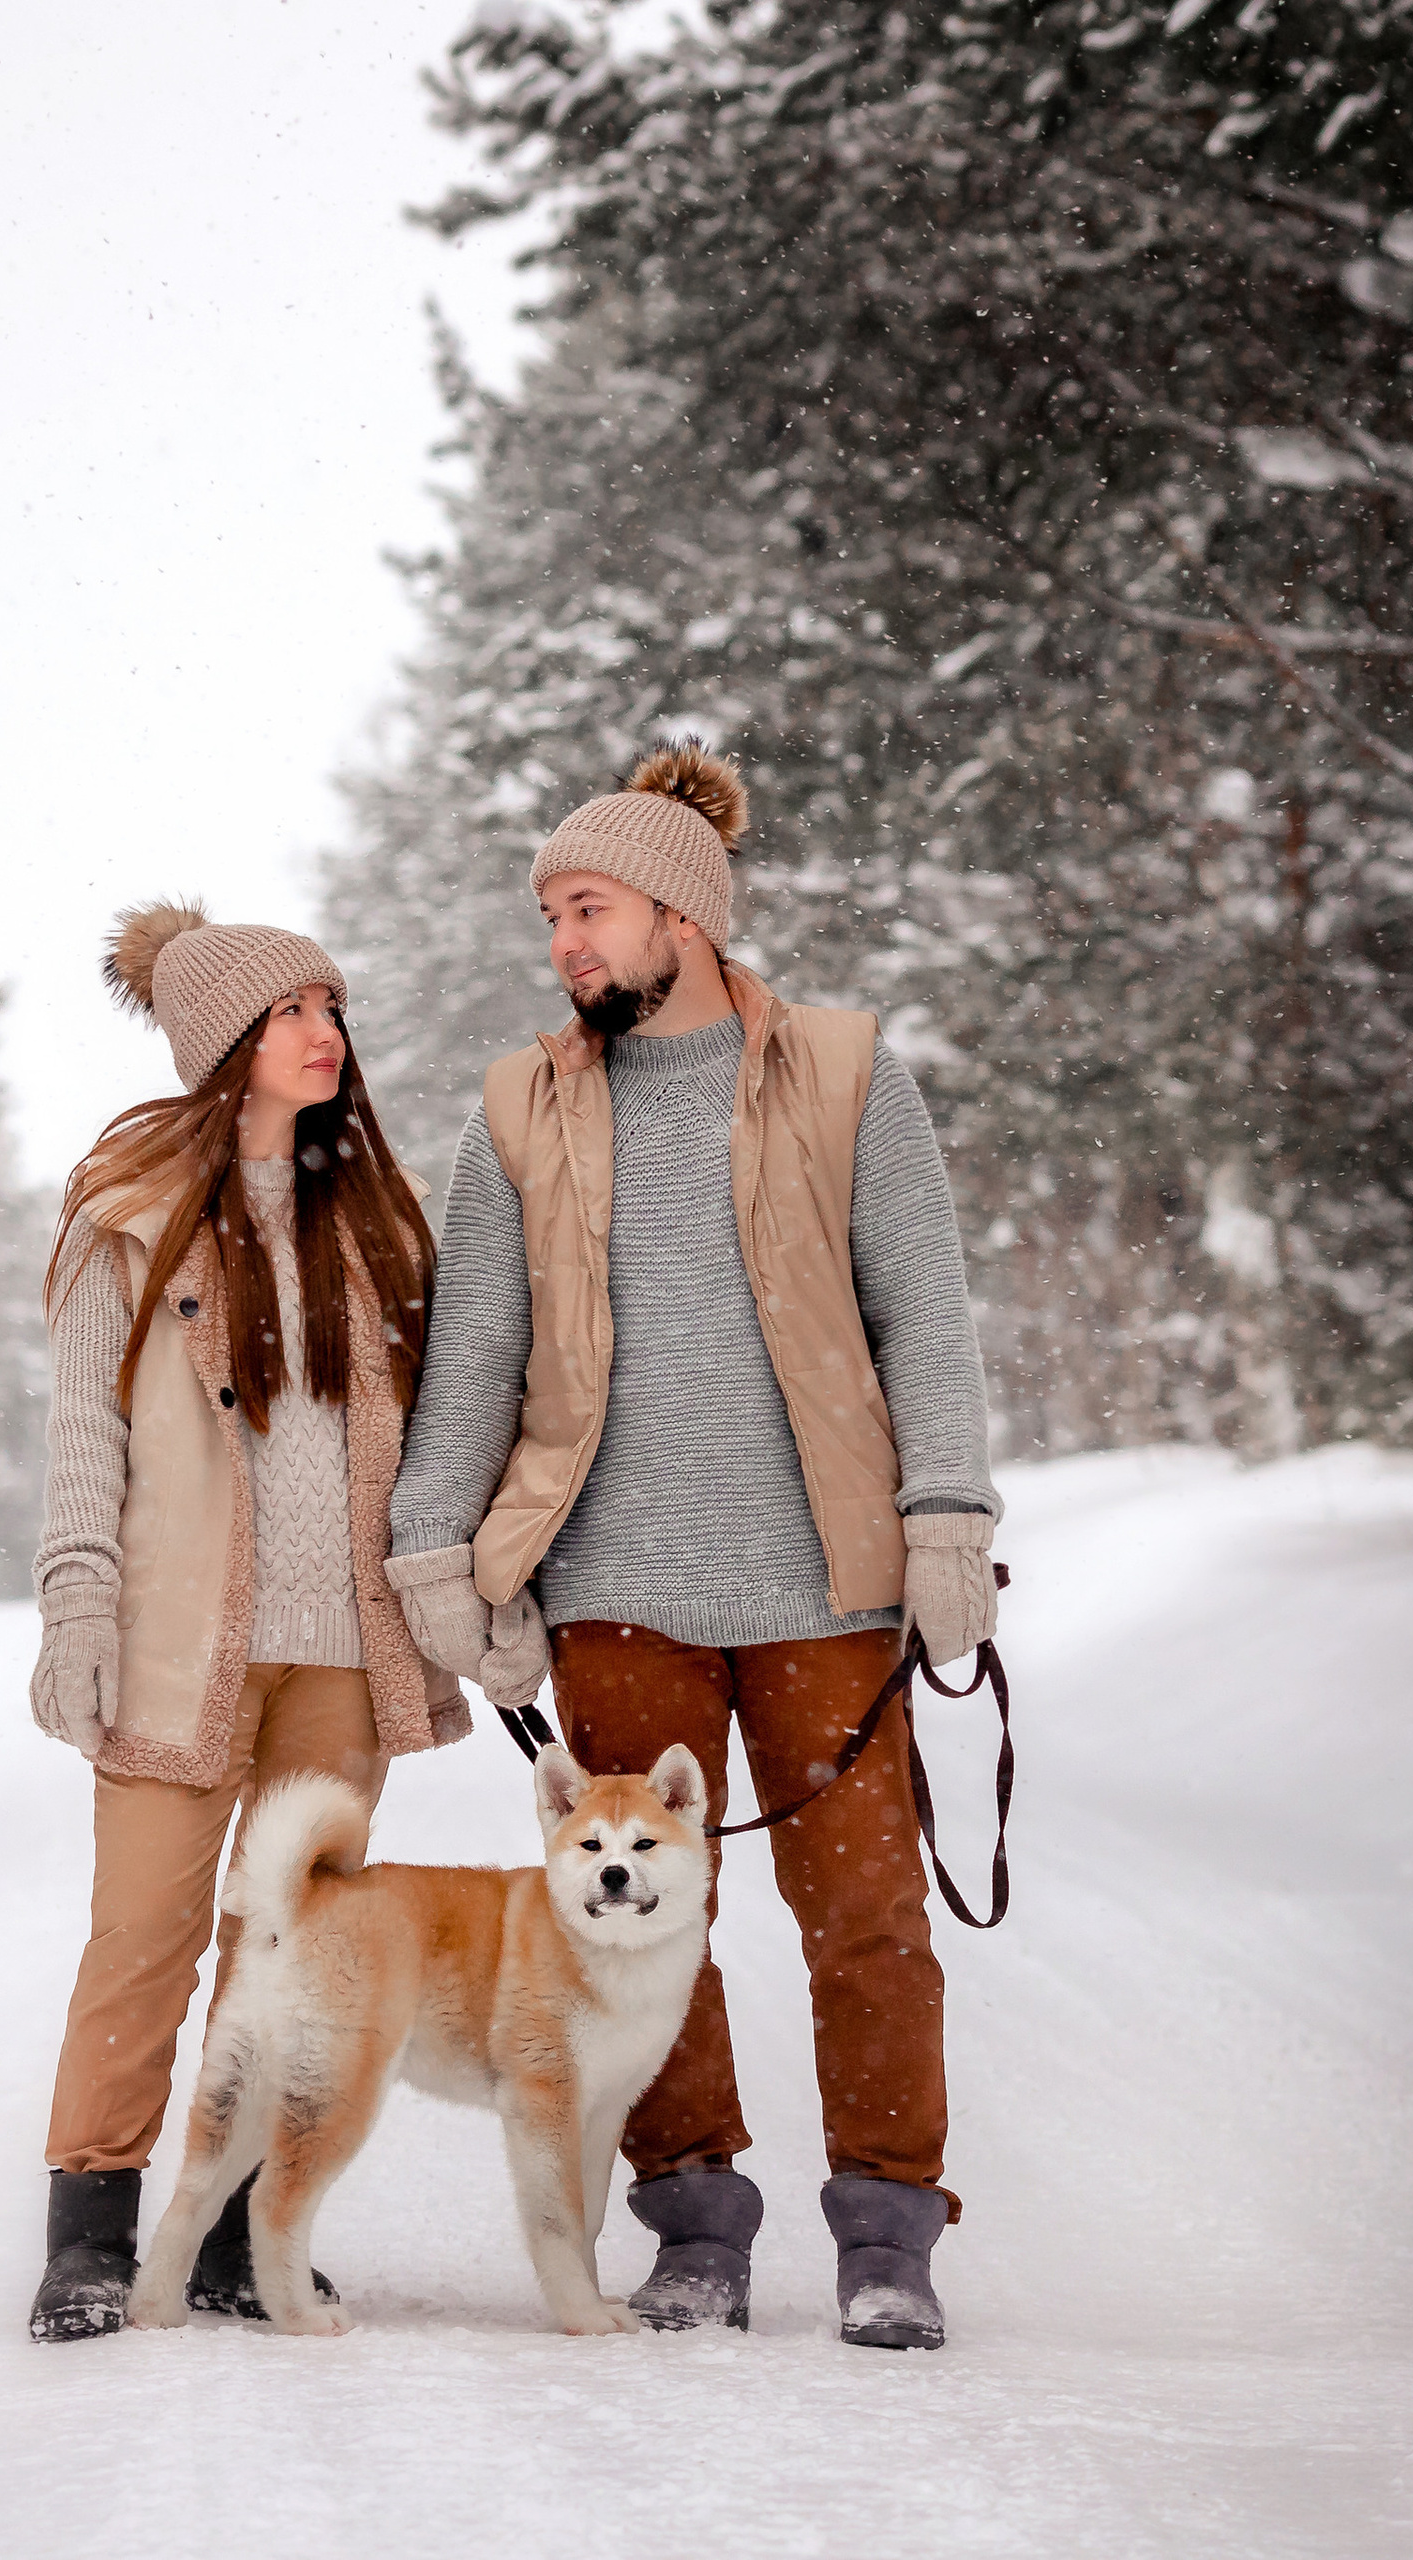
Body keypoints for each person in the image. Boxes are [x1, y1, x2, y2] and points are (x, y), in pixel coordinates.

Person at [384, 742, 1002, 2350]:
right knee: (644, 1920)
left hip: (825, 1582)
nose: (563, 944)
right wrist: (441, 1556)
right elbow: (478, 1354)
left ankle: (887, 2234)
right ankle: (697, 2222)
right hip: (616, 1591)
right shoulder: (525, 1103)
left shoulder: (848, 1071)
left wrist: (947, 1512)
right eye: (549, 916)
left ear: (683, 911)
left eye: (587, 908)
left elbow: (921, 1312)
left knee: (866, 1920)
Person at [27, 901, 468, 2342]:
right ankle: (88, 2236)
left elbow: (444, 1437)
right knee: (142, 1944)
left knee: (285, 1954)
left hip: (343, 1659)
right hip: (175, 1646)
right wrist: (74, 1601)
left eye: (332, 1007)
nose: (324, 1032)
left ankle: (226, 2232)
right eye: (292, 1011)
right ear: (226, 1042)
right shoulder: (127, 1217)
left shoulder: (383, 1223)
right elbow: (84, 1435)